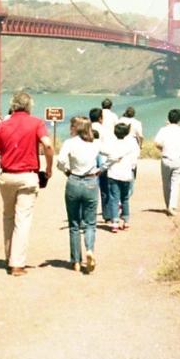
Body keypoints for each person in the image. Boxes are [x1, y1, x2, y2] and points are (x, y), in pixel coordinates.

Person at [0, 91, 54, 277]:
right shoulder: (36, 123)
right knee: (23, 220)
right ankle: (17, 264)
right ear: (29, 106)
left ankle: (9, 257)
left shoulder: (2, 126)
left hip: (7, 177)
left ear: (12, 105)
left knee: (8, 217)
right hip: (28, 177)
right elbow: (48, 145)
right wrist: (49, 167)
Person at [55, 116, 101, 273]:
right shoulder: (95, 143)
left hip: (74, 180)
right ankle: (90, 250)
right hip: (91, 181)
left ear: (77, 127)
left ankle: (76, 261)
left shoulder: (69, 143)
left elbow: (60, 162)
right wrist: (101, 169)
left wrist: (67, 171)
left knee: (74, 224)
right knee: (90, 223)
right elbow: (112, 156)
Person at [101, 121, 141, 232]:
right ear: (127, 133)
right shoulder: (131, 145)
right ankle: (126, 221)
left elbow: (101, 151)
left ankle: (115, 222)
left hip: (113, 175)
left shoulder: (112, 144)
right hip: (127, 175)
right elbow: (135, 159)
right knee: (125, 198)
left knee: (114, 198)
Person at [154, 108, 180, 216]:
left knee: (166, 183)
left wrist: (163, 149)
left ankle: (168, 204)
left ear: (168, 118)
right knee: (175, 184)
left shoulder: (163, 130)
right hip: (178, 159)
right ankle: (172, 206)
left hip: (166, 159)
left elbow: (156, 143)